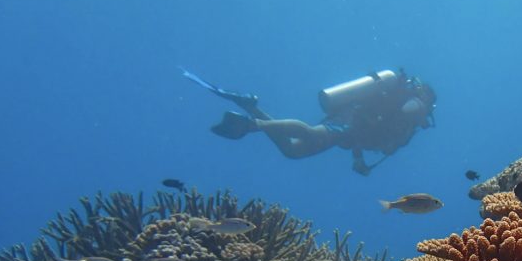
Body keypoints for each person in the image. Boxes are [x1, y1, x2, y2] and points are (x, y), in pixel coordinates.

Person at [183, 68, 436, 174]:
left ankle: (250, 107)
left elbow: (370, 133)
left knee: (293, 150)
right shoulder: (411, 111)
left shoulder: (404, 111)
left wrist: (358, 158)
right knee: (312, 134)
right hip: (352, 121)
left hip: (351, 126)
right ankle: (251, 125)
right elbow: (379, 124)